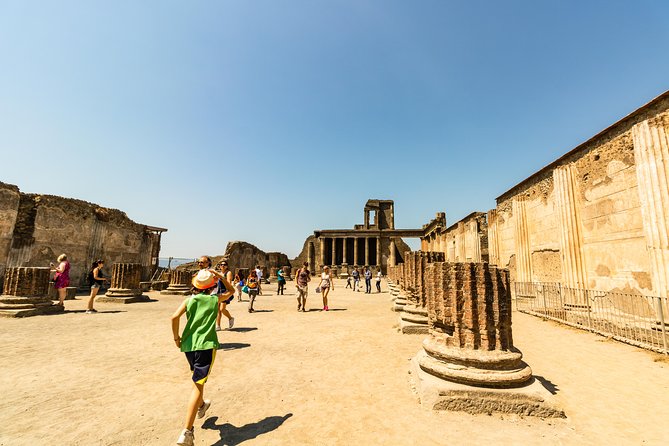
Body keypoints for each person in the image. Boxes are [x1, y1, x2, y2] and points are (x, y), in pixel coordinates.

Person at [171, 267, 234, 446]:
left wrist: (176, 338)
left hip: (189, 346)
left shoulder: (190, 300)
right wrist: (221, 276)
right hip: (206, 346)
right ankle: (187, 431)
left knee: (199, 380)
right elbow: (231, 291)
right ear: (211, 286)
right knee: (198, 385)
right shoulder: (214, 299)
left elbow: (174, 317)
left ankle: (201, 406)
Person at [214, 261, 235, 331]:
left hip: (225, 292)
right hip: (218, 292)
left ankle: (230, 318)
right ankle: (218, 325)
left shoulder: (228, 273)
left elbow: (229, 282)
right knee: (218, 310)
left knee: (222, 309)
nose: (223, 266)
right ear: (219, 266)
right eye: (221, 265)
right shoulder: (219, 273)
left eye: (224, 265)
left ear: (227, 266)